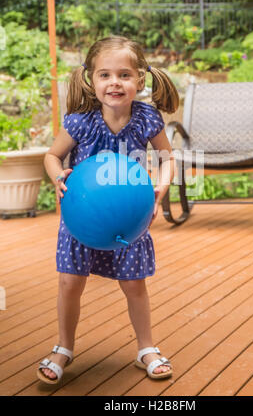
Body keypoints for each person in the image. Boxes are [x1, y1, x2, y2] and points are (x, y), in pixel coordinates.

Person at [37, 35, 179, 384]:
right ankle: (64, 347)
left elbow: (166, 158)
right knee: (70, 282)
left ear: (140, 80)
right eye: (105, 75)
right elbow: (52, 156)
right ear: (90, 79)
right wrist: (58, 178)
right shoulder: (80, 120)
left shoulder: (147, 118)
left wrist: (160, 189)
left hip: (129, 221)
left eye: (124, 75)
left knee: (134, 285)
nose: (115, 82)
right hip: (82, 221)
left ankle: (146, 347)